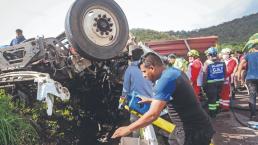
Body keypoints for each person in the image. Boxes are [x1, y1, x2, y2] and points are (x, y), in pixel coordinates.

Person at [112, 52, 215, 145]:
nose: (144, 76)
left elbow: (153, 115)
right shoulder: (173, 72)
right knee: (172, 140)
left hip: (193, 130)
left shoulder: (165, 80)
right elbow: (178, 97)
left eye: (144, 72)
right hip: (193, 125)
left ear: (152, 68)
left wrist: (129, 128)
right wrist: (151, 100)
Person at [122, 48, 153, 137]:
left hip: (136, 102)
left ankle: (137, 140)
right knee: (149, 126)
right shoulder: (149, 68)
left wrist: (122, 102)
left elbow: (125, 88)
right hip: (149, 101)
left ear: (132, 57)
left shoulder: (130, 69)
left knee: (135, 125)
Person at [237, 43, 258, 121]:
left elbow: (241, 64)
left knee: (252, 97)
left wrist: (239, 75)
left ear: (253, 49)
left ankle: (253, 115)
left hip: (251, 78)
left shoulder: (249, 55)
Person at [203, 47, 226, 118]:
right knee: (217, 97)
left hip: (210, 84)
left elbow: (204, 74)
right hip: (220, 83)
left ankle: (212, 114)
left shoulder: (207, 62)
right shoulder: (222, 62)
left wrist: (203, 84)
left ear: (209, 54)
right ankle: (216, 110)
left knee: (211, 99)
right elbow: (225, 72)